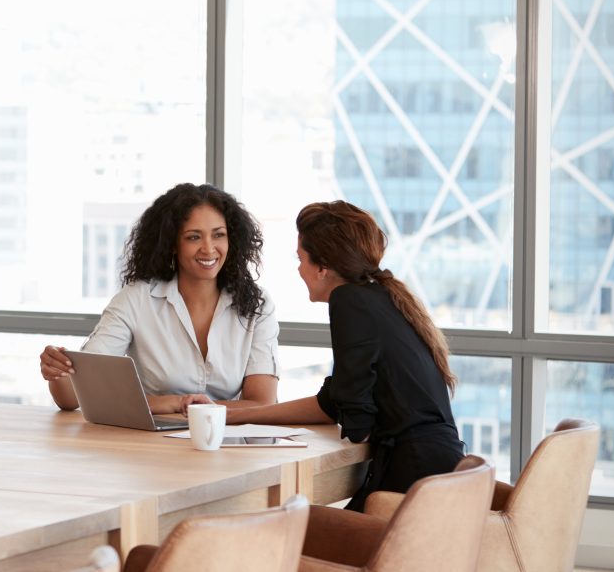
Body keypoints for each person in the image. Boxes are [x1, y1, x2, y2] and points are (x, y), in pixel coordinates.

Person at [226, 200, 463, 511]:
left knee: (290, 528)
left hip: (413, 476)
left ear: (323, 267)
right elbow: (334, 402)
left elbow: (355, 416)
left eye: (301, 259)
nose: (299, 269)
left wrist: (352, 415)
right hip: (437, 468)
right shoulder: (381, 296)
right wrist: (234, 414)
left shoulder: (348, 300)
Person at [39, 183, 280, 415]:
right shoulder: (136, 300)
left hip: (227, 444)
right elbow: (73, 396)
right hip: (150, 446)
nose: (208, 248)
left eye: (218, 235)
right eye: (193, 237)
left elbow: (262, 403)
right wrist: (57, 370)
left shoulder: (257, 305)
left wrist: (183, 407)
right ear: (172, 244)